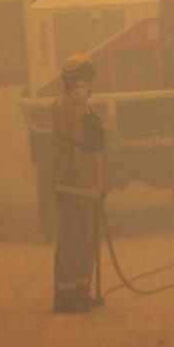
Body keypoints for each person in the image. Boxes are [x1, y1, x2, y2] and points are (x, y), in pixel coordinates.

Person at [51, 54, 105, 314]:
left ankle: (81, 291)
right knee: (71, 238)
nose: (90, 85)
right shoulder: (65, 106)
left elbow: (93, 144)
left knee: (88, 240)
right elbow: (75, 134)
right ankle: (64, 296)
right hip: (71, 183)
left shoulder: (83, 106)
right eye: (86, 80)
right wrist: (79, 100)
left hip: (87, 183)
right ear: (76, 82)